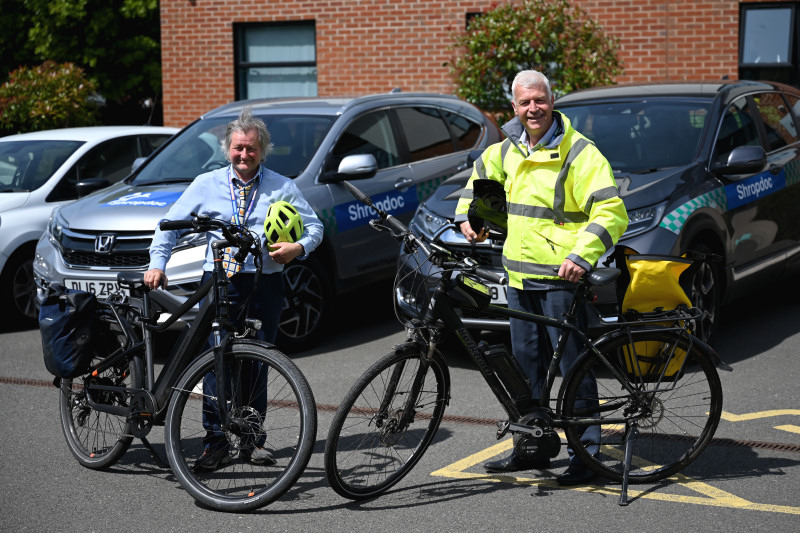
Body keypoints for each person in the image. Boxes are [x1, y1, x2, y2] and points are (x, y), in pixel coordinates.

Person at [455, 70, 628, 485]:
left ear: (553, 101)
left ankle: (585, 457)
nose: (533, 109)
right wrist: (470, 220)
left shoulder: (579, 152)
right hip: (518, 278)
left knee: (574, 371)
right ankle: (531, 447)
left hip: (560, 280)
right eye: (524, 102)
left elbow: (611, 211)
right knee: (525, 373)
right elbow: (474, 192)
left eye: (540, 100)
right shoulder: (503, 151)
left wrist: (582, 256)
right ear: (513, 108)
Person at [144, 107, 323, 470]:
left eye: (252, 150)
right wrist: (157, 263)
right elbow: (168, 226)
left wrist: (297, 248)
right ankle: (215, 444)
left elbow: (315, 228)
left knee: (258, 364)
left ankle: (252, 442)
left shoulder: (282, 186)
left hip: (265, 282)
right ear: (228, 149)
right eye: (238, 148)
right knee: (217, 363)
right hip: (221, 283)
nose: (244, 155)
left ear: (263, 151)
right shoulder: (206, 185)